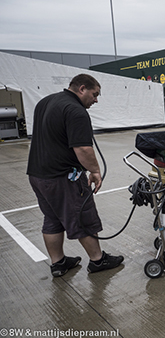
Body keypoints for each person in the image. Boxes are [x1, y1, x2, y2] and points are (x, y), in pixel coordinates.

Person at [27, 74, 124, 277]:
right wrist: (95, 171)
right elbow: (82, 148)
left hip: (37, 174)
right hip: (63, 177)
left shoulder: (45, 102)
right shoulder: (76, 111)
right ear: (82, 88)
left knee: (52, 219)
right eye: (94, 94)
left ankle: (58, 263)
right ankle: (98, 260)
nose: (96, 100)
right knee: (83, 217)